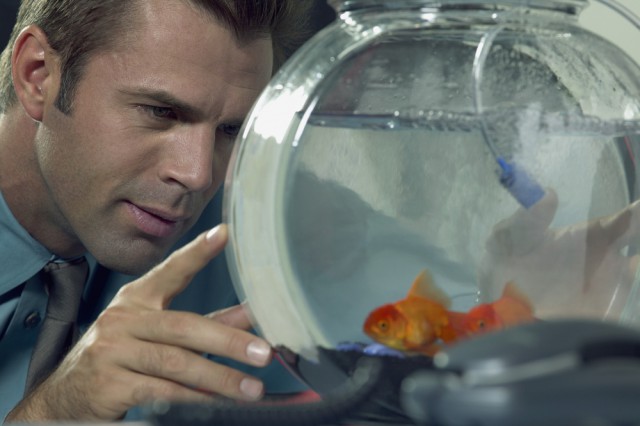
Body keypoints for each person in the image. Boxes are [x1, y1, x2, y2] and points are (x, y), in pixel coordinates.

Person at [0, 0, 314, 422]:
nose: (198, 174)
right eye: (161, 112)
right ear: (37, 75)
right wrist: (56, 413)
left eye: (230, 130)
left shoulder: (244, 238)